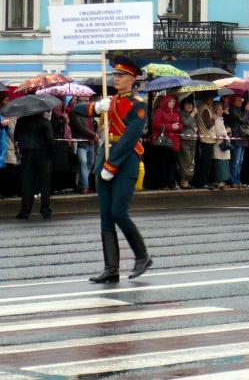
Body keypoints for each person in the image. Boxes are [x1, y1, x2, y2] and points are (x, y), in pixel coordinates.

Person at [72, 55, 152, 282]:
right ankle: (111, 269)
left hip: (125, 163)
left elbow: (129, 139)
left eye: (121, 75)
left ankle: (142, 256)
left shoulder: (138, 106)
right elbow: (76, 110)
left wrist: (112, 164)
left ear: (132, 78)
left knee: (118, 212)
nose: (116, 78)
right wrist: (96, 106)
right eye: (115, 75)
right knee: (106, 217)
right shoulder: (109, 102)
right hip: (104, 162)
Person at [14, 110, 55, 220]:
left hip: (27, 153)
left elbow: (16, 136)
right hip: (43, 154)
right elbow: (50, 139)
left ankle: (25, 211)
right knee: (45, 182)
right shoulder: (45, 122)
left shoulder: (21, 121)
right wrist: (51, 152)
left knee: (27, 182)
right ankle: (45, 210)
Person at [150, 94, 183, 190]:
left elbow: (181, 125)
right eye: (170, 102)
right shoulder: (160, 112)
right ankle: (163, 183)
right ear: (166, 102)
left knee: (172, 164)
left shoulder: (177, 113)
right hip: (164, 142)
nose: (172, 103)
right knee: (163, 163)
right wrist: (170, 127)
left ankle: (171, 183)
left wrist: (178, 127)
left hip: (174, 142)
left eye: (173, 102)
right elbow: (156, 124)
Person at [70, 95, 99, 194]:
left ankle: (83, 184)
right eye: (84, 96)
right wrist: (92, 135)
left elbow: (92, 125)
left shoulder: (90, 111)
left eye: (87, 97)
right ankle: (85, 186)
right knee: (83, 162)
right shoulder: (75, 111)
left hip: (91, 141)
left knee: (90, 164)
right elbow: (78, 126)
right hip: (81, 141)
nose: (87, 98)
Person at [224, 95, 249, 188]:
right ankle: (233, 180)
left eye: (241, 100)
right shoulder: (233, 109)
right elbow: (243, 120)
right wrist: (246, 110)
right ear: (234, 102)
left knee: (240, 161)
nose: (241, 102)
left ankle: (237, 179)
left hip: (242, 138)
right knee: (236, 161)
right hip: (237, 137)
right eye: (238, 100)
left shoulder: (239, 109)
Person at [193, 93, 216, 188]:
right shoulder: (205, 110)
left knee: (203, 162)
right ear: (207, 99)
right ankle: (203, 182)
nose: (212, 101)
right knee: (206, 163)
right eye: (211, 99)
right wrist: (214, 119)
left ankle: (201, 181)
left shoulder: (201, 108)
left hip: (205, 138)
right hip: (207, 139)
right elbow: (209, 125)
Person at [211, 101, 231, 189]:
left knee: (224, 164)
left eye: (222, 109)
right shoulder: (216, 120)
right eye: (219, 109)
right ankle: (218, 181)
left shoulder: (221, 119)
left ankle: (222, 181)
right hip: (219, 145)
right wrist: (227, 131)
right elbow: (218, 133)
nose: (221, 111)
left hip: (223, 145)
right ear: (215, 110)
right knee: (220, 164)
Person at [178, 99, 197, 189]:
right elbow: (185, 123)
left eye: (190, 104)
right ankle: (183, 181)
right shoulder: (181, 114)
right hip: (184, 140)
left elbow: (194, 125)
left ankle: (187, 180)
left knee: (191, 161)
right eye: (187, 104)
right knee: (186, 161)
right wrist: (193, 114)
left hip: (193, 140)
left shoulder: (193, 114)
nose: (189, 106)